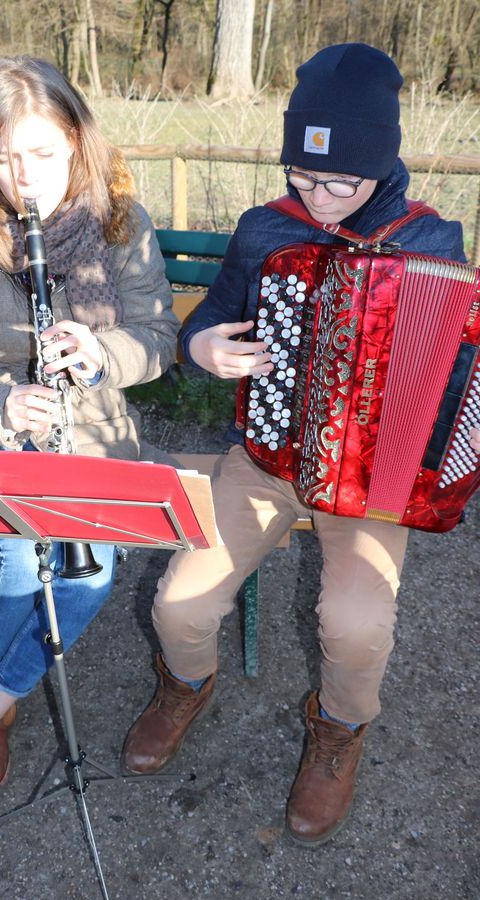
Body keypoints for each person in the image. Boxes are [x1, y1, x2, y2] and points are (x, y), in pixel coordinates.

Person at [121, 43, 480, 847]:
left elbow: (454, 368)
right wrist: (204, 347)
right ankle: (184, 685)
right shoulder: (264, 230)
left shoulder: (431, 244)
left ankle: (339, 730)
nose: (316, 199)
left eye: (338, 182)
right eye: (301, 176)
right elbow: (207, 319)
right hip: (266, 459)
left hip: (373, 482)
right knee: (180, 600)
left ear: (382, 165)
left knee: (357, 624)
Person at [0, 55, 178, 829]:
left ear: (76, 141)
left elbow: (157, 338)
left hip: (96, 434)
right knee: (24, 556)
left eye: (43, 154)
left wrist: (103, 355)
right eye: (2, 157)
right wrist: (2, 404)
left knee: (85, 583)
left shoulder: (122, 223)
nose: (24, 178)